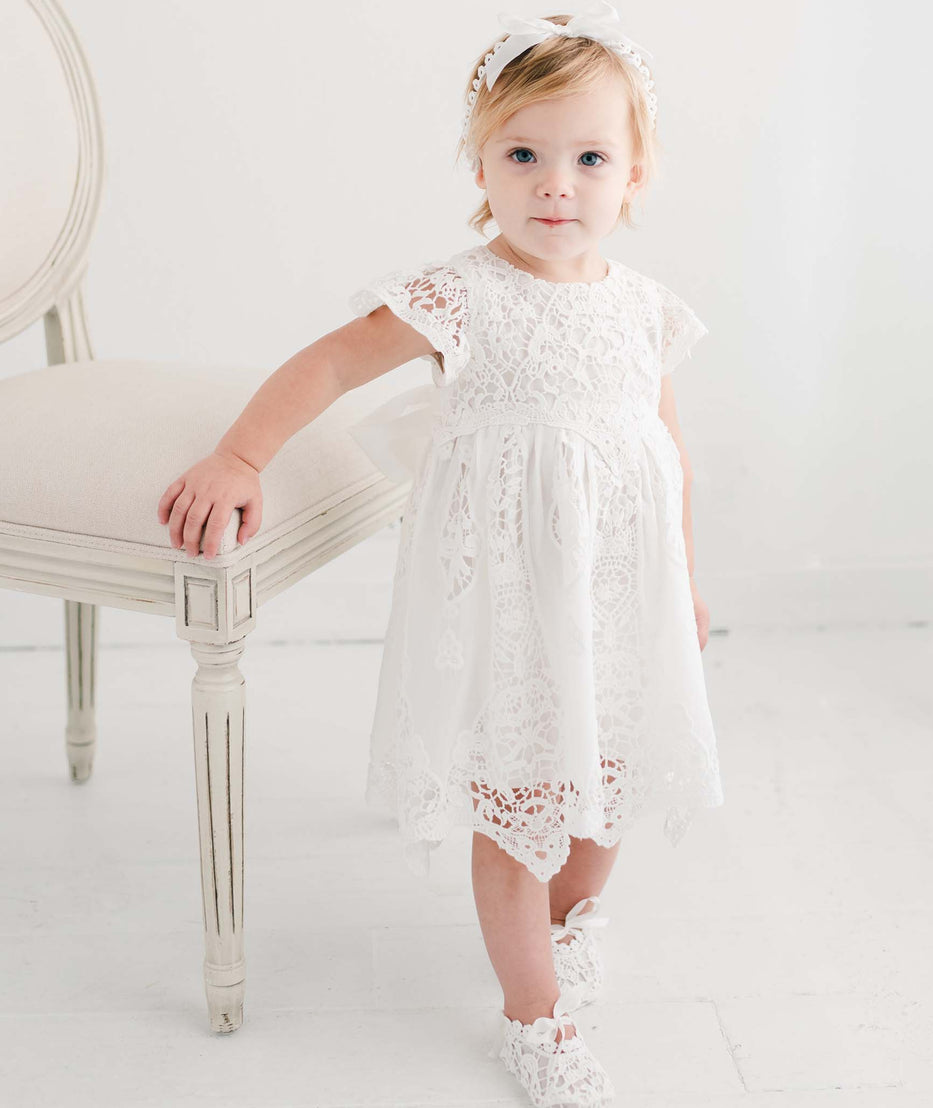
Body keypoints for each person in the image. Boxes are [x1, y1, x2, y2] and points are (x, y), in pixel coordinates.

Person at [157, 3, 723, 1104]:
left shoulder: (645, 313)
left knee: (603, 793)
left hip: (616, 606)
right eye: (524, 154)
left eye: (589, 157)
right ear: (481, 163)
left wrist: (689, 589)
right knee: (520, 812)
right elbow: (328, 366)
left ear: (635, 175)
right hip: (515, 613)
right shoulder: (462, 295)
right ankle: (533, 1016)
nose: (555, 184)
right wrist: (239, 453)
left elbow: (669, 459)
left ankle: (573, 924)